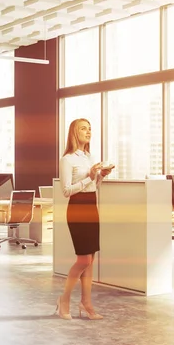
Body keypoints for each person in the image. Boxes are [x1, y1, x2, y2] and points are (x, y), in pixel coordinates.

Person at [55, 118, 113, 320]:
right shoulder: (68, 159)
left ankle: (86, 303)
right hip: (77, 208)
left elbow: (93, 186)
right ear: (74, 132)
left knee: (91, 260)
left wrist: (100, 176)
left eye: (90, 128)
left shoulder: (90, 157)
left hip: (91, 206)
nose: (88, 132)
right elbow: (66, 191)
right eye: (83, 128)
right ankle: (64, 299)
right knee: (83, 259)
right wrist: (89, 176)